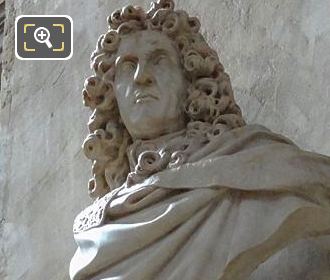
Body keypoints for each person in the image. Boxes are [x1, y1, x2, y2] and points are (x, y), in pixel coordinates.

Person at [70, 1, 330, 279]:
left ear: (191, 82)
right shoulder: (94, 229)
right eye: (127, 66)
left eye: (159, 60)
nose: (141, 76)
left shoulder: (264, 167)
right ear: (112, 98)